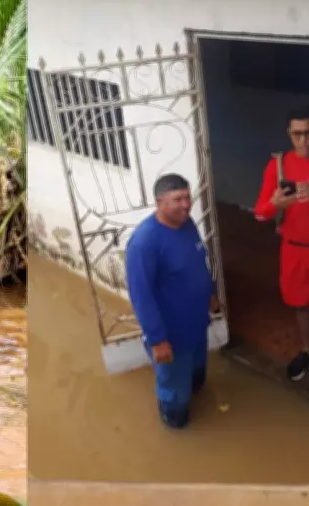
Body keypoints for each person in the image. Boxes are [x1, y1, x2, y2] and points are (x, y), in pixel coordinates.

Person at [125, 174, 220, 430]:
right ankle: (174, 424)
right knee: (175, 395)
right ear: (160, 202)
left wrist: (210, 293)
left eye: (188, 197)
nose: (187, 204)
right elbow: (140, 295)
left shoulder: (187, 224)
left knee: (197, 379)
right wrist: (157, 340)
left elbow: (199, 261)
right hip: (172, 335)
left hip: (197, 324)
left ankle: (195, 396)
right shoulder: (144, 243)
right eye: (178, 199)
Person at [254, 107, 309, 382]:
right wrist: (275, 204)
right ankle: (308, 349)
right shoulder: (279, 165)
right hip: (294, 247)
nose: (303, 141)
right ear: (289, 134)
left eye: (308, 133)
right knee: (300, 303)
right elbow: (260, 213)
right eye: (297, 134)